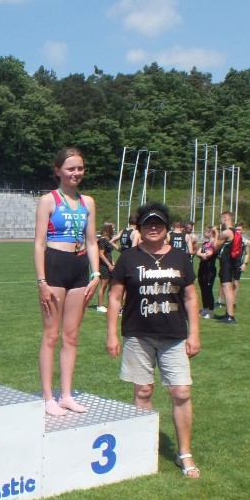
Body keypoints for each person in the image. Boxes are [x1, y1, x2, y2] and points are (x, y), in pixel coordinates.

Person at [106, 202, 201, 479]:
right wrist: (111, 333)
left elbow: (191, 296)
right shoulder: (128, 258)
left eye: (158, 223)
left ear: (167, 226)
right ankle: (142, 450)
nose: (154, 227)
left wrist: (194, 332)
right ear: (140, 228)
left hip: (174, 335)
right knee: (143, 392)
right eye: (148, 223)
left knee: (181, 392)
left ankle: (184, 452)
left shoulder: (180, 257)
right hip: (138, 334)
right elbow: (114, 297)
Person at [34, 147, 101, 416]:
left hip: (79, 268)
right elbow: (39, 244)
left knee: (71, 336)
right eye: (71, 168)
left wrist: (96, 274)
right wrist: (41, 281)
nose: (76, 173)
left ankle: (66, 395)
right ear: (58, 170)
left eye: (80, 168)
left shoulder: (88, 202)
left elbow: (92, 241)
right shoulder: (48, 200)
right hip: (54, 265)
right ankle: (48, 396)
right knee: (52, 334)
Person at [213, 212, 238, 324]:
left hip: (226, 262)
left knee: (226, 288)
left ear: (225, 218)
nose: (221, 222)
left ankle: (230, 316)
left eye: (221, 220)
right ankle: (228, 313)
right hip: (231, 262)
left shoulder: (226, 232)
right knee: (227, 287)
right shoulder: (235, 232)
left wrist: (215, 233)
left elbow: (215, 246)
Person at [195, 226, 218, 319]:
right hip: (202, 268)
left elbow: (208, 255)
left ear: (210, 233)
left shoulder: (214, 244)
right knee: (202, 289)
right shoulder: (205, 243)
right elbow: (197, 253)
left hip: (210, 269)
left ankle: (211, 310)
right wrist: (201, 255)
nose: (204, 233)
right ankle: (204, 308)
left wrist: (202, 255)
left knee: (208, 290)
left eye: (206, 232)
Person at [95, 221, 118, 313]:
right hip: (103, 265)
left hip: (109, 264)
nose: (114, 229)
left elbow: (109, 253)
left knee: (111, 286)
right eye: (112, 228)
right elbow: (101, 254)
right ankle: (100, 306)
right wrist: (108, 265)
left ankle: (110, 305)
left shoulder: (109, 239)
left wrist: (112, 263)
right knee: (103, 285)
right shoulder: (103, 240)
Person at [232, 221, 250, 307]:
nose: (237, 231)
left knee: (235, 283)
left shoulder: (245, 241)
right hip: (229, 262)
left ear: (243, 230)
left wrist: (245, 264)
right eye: (236, 230)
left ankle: (232, 302)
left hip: (238, 263)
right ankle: (220, 300)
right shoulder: (231, 239)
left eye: (239, 230)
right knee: (225, 282)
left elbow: (247, 253)